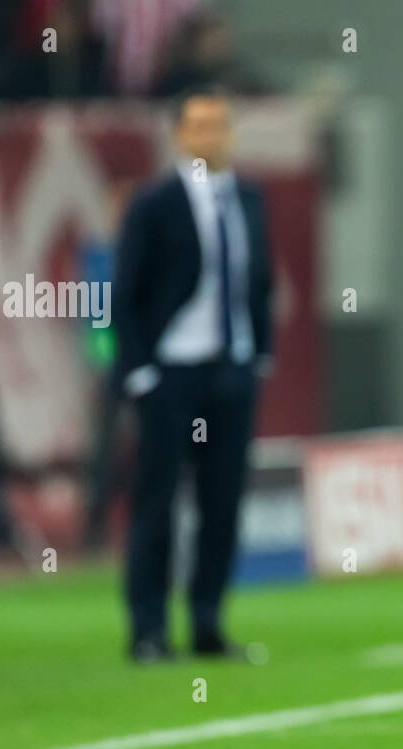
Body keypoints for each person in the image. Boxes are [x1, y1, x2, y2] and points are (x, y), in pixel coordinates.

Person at [113, 87, 273, 662]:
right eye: (199, 126)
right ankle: (149, 630)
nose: (211, 136)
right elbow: (125, 294)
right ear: (179, 135)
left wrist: (258, 354)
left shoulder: (249, 198)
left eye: (220, 125)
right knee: (156, 502)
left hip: (230, 372)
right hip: (172, 373)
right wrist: (140, 372)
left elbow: (259, 279)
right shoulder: (154, 203)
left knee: (222, 502)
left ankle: (207, 623)